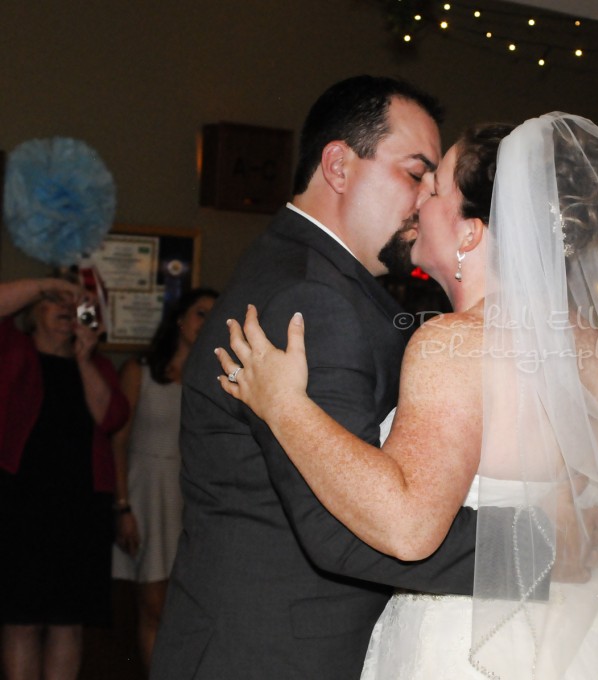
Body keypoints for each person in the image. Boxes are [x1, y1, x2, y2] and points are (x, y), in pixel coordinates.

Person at [216, 115, 598, 678]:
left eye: (432, 189)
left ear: (470, 231)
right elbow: (597, 521)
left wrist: (285, 406)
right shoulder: (592, 348)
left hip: (475, 640)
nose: (417, 203)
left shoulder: (452, 343)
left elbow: (410, 527)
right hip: (588, 631)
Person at [150, 76, 485, 680]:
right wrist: (543, 555)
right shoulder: (311, 299)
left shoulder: (318, 277)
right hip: (277, 653)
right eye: (416, 174)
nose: (425, 201)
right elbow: (344, 531)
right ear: (338, 165)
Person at [0, 276, 130, 680]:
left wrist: (84, 357)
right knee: (20, 620)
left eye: (78, 306)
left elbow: (112, 418)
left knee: (68, 622)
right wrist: (50, 283)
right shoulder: (12, 351)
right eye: (56, 302)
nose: (66, 310)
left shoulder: (99, 366)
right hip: (18, 506)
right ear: (33, 310)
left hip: (78, 510)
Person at [110, 287, 218, 670]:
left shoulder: (215, 377)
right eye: (200, 313)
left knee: (187, 604)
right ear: (179, 318)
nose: (207, 322)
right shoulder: (139, 371)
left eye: (214, 315)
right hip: (147, 491)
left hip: (192, 494)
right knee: (153, 604)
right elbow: (117, 443)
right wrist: (122, 505)